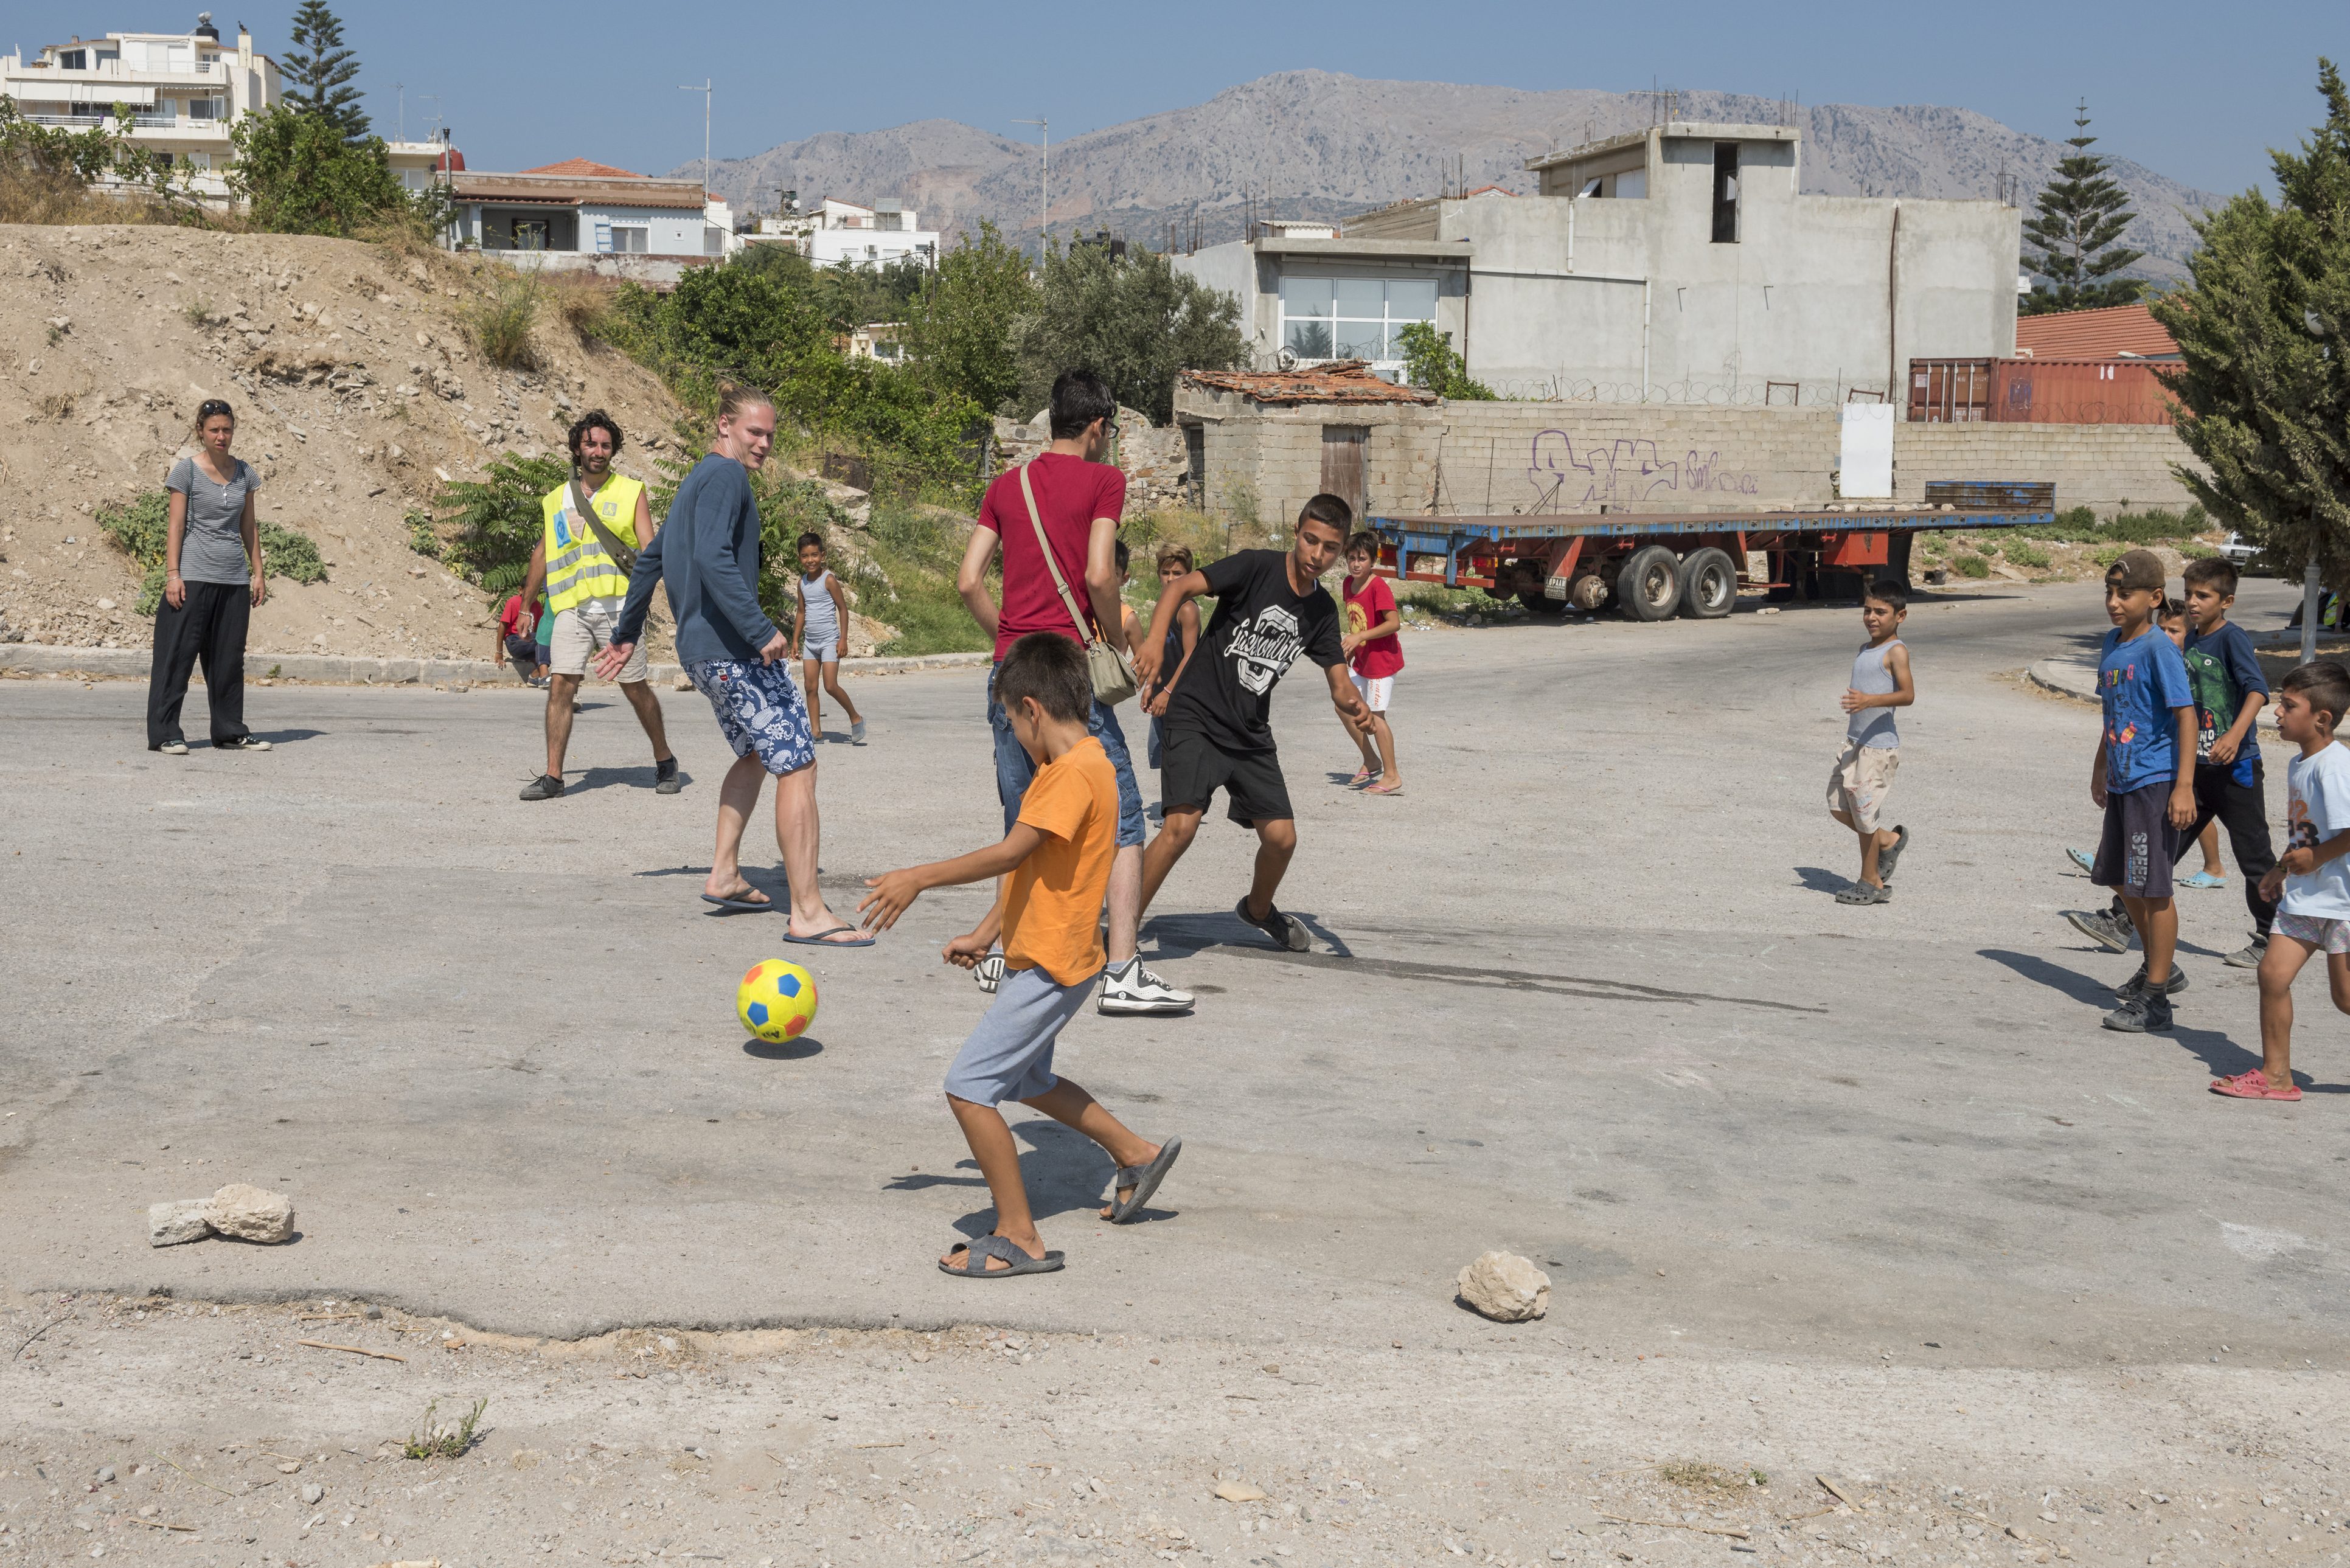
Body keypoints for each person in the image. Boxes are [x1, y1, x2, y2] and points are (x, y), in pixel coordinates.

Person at [859, 632, 1182, 1275]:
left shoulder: (1068, 777)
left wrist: (917, 877)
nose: (1012, 733)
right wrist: (987, 933)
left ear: (1031, 709)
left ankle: (1018, 1235)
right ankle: (1136, 1152)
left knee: (969, 1089)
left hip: (1051, 964)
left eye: (1010, 721)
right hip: (1052, 954)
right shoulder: (1087, 761)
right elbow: (1034, 866)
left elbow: (1009, 854)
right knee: (1030, 1081)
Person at [599, 381, 872, 945]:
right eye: (755, 432)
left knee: (755, 754)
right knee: (797, 762)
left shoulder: (698, 479)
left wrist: (626, 634)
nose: (765, 443)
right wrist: (759, 630)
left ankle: (723, 873)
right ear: (724, 425)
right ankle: (808, 912)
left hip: (703, 652)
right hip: (733, 647)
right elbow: (712, 557)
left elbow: (651, 559)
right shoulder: (725, 476)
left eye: (770, 434)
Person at [956, 369, 1191, 1017]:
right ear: (1097, 427)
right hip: (1066, 677)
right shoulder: (1103, 480)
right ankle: (1122, 969)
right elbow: (1096, 573)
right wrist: (1118, 640)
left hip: (1010, 673)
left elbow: (968, 580)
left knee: (1023, 821)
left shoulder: (1004, 486)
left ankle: (1011, 955)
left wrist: (1009, 643)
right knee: (1121, 820)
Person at [1132, 494, 1371, 951]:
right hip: (1196, 715)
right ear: (1297, 531)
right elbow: (1177, 588)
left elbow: (1339, 683)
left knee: (1282, 840)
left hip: (1248, 732)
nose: (1317, 555)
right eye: (1310, 541)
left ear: (1341, 552)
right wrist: (1155, 647)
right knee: (1180, 827)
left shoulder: (1321, 612)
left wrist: (1356, 705)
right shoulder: (1254, 567)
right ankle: (1121, 926)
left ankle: (1258, 910)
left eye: (1329, 548)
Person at [2065, 569, 2279, 983]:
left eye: (2203, 595)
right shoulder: (2181, 640)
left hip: (2234, 769)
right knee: (2160, 853)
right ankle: (2123, 921)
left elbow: (2256, 689)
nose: (2194, 602)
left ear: (2226, 601)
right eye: (2189, 594)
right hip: (2191, 768)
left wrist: (2235, 736)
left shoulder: (2229, 639)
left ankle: (2271, 934)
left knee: (2254, 856)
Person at [517, 411, 678, 802]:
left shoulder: (631, 491)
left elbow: (651, 550)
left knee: (635, 687)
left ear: (613, 451)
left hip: (620, 608)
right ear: (577, 448)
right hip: (571, 607)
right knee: (561, 685)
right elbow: (543, 552)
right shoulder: (555, 499)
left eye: (606, 445)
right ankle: (554, 776)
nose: (598, 451)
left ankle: (665, 760)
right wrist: (527, 604)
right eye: (591, 444)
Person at [2082, 549, 2199, 1034]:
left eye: (2123, 593)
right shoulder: (2112, 644)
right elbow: (2114, 715)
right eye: (2108, 591)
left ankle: (2155, 1002)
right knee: (2115, 877)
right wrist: (2099, 767)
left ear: (2153, 598)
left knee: (2153, 890)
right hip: (2121, 779)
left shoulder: (2158, 648)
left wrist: (2184, 787)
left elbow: (2185, 716)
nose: (2113, 601)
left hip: (2154, 782)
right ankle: (2161, 966)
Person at [2222, 661, 2350, 1100]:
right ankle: (2276, 1076)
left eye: (2287, 705)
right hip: (2305, 898)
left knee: (2346, 998)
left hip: (2342, 902)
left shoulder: (2333, 768)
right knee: (2272, 974)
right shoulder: (2301, 763)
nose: (2276, 711)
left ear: (2322, 718)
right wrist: (2279, 870)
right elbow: (2306, 832)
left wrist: (2313, 858)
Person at [147, 400, 272, 755]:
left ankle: (230, 731)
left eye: (227, 429)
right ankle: (165, 733)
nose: (221, 436)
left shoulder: (245, 472)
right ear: (200, 432)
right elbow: (176, 526)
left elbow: (249, 526)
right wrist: (174, 574)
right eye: (214, 429)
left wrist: (257, 573)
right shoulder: (186, 472)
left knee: (229, 659)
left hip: (233, 579)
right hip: (193, 577)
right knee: (176, 657)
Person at [1827, 578, 1915, 904]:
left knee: (1864, 817)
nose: (1872, 618)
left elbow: (1908, 695)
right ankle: (1890, 840)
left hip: (1878, 748)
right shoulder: (1866, 649)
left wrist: (1869, 701)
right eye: (1867, 611)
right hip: (1855, 744)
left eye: (1881, 612)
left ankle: (1872, 883)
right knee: (1838, 807)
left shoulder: (1896, 652)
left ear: (1900, 616)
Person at [1337, 530, 1405, 794]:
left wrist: (1360, 637)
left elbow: (1394, 623)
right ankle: (1371, 759)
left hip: (1382, 664)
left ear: (1373, 561)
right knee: (1344, 705)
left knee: (1376, 718)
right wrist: (1353, 648)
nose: (1356, 564)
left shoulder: (1378, 587)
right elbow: (1357, 621)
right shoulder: (1347, 584)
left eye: (1362, 559)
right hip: (1362, 662)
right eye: (1352, 558)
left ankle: (1392, 776)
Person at [794, 532, 866, 745]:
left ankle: (856, 717)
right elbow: (801, 612)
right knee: (810, 687)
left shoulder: (829, 580)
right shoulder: (802, 584)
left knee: (830, 685)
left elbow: (843, 610)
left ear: (823, 555)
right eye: (805, 556)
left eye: (815, 555)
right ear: (800, 558)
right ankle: (815, 731)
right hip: (811, 643)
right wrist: (796, 640)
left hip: (829, 641)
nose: (810, 560)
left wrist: (842, 639)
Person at [1142, 545, 1202, 780]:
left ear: (1189, 575)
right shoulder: (1163, 606)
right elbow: (1156, 651)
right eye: (1166, 573)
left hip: (1180, 696)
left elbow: (1191, 655)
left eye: (1177, 574)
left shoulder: (1187, 609)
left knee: (1179, 759)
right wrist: (1150, 686)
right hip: (1162, 692)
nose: (1170, 579)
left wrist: (1167, 692)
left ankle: (1179, 814)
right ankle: (1171, 813)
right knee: (1164, 758)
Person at [496, 588, 550, 687]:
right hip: (514, 641)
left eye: (536, 594)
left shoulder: (537, 605)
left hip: (529, 643)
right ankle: (543, 675)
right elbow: (502, 626)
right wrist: (499, 653)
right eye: (531, 593)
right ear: (520, 590)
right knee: (546, 638)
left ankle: (535, 676)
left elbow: (539, 630)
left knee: (551, 641)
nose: (534, 597)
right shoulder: (514, 602)